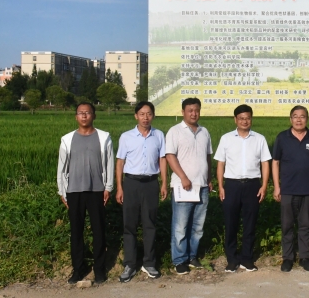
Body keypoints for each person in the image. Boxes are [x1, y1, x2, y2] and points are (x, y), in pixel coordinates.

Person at [57, 102, 115, 284]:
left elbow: (110, 164)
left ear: (94, 116)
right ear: (76, 116)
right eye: (80, 113)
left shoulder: (104, 138)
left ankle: (99, 269)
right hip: (74, 191)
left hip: (97, 190)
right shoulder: (67, 139)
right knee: (76, 232)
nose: (84, 116)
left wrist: (108, 187)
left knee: (99, 231)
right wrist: (62, 191)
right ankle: (78, 269)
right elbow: (61, 168)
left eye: (87, 112)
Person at [215, 104, 271, 273]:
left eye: (247, 118)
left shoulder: (259, 139)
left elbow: (265, 163)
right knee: (230, 223)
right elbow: (220, 163)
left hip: (252, 185)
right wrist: (220, 186)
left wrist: (264, 186)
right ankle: (232, 259)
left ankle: (247, 259)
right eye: (241, 118)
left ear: (251, 119)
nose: (244, 121)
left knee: (250, 224)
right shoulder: (226, 138)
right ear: (235, 120)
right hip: (231, 185)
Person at [116, 101, 167, 282]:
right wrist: (120, 187)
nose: (146, 117)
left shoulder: (159, 135)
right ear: (136, 116)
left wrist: (164, 183)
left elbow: (162, 160)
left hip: (151, 183)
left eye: (149, 114)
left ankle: (149, 263)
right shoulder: (126, 137)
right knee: (129, 225)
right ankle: (130, 264)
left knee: (149, 224)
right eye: (142, 114)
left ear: (153, 116)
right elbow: (120, 162)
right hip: (131, 183)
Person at [272, 106, 309, 272]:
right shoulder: (282, 137)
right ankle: (287, 258)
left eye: (302, 116)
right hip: (288, 189)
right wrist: (277, 187)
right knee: (287, 225)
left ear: (307, 119)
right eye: (295, 116)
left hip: (308, 189)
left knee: (305, 225)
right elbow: (275, 162)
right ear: (290, 119)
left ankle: (304, 257)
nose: (299, 120)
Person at [165, 98, 213, 275]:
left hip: (202, 186)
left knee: (198, 226)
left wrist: (209, 178)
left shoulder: (204, 132)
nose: (194, 113)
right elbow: (170, 156)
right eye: (190, 110)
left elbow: (208, 156)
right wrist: (183, 177)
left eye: (197, 110)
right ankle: (179, 260)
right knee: (181, 226)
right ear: (183, 112)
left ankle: (192, 256)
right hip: (183, 186)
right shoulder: (175, 131)